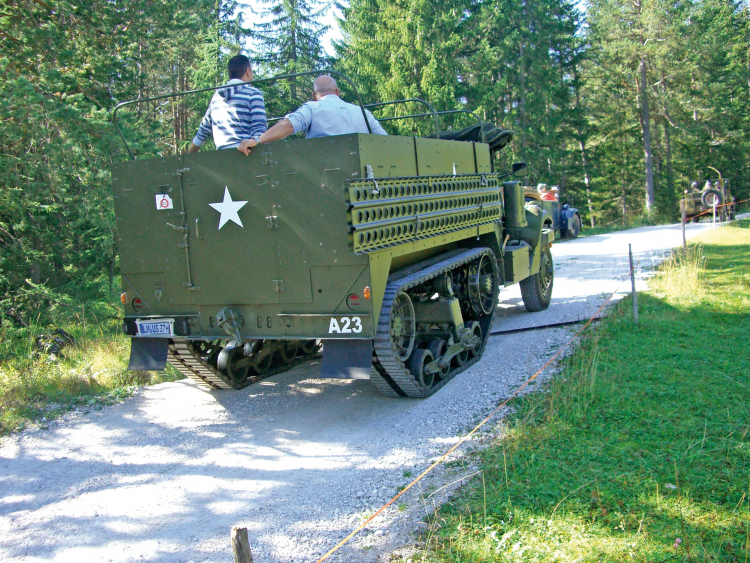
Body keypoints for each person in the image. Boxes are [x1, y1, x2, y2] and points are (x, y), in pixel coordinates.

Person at [237, 75, 386, 155]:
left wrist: (258, 139)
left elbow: (289, 125)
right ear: (337, 92)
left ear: (314, 95)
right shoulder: (363, 112)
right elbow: (385, 141)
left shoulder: (312, 108)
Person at [188, 55, 267, 153]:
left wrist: (187, 159)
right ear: (248, 71)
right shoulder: (253, 93)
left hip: (222, 160)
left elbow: (202, 134)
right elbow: (260, 132)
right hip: (247, 156)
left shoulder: (216, 98)